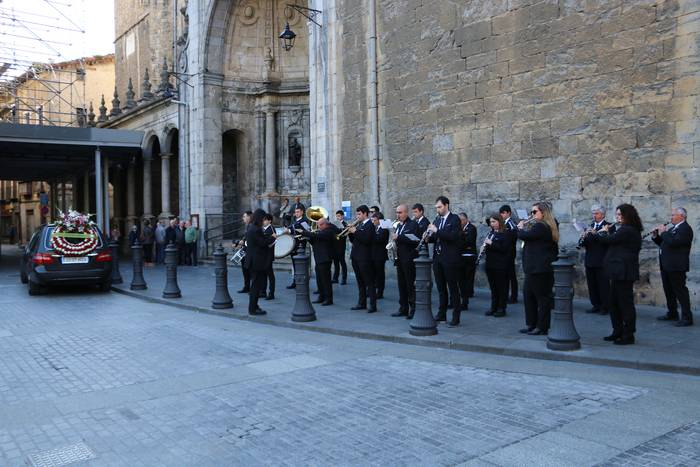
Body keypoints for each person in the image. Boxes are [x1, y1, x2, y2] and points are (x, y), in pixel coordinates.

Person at [597, 204, 643, 345]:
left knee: (625, 304)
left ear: (627, 215)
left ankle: (628, 334)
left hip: (625, 272)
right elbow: (615, 242)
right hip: (618, 272)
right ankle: (617, 331)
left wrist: (603, 231)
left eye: (619, 215)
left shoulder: (628, 230)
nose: (617, 217)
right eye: (616, 215)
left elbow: (608, 240)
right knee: (614, 303)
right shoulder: (624, 230)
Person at [516, 202, 559, 336]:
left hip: (540, 269)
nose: (532, 215)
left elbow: (525, 236)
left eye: (534, 212)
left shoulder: (542, 226)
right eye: (532, 212)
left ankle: (542, 327)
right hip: (534, 268)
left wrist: (521, 228)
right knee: (529, 296)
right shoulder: (539, 226)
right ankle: (532, 324)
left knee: (542, 298)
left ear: (543, 213)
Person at [653, 207, 694, 327]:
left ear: (682, 216)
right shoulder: (673, 228)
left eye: (673, 215)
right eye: (671, 215)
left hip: (676, 266)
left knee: (680, 291)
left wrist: (664, 232)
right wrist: (656, 236)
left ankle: (687, 317)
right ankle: (672, 312)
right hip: (667, 265)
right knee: (669, 290)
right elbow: (665, 244)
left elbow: (674, 242)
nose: (671, 217)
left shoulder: (685, 229)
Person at [426, 196, 462, 327]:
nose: (438, 210)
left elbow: (453, 237)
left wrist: (437, 231)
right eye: (436, 207)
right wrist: (428, 237)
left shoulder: (454, 219)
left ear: (446, 205)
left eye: (440, 207)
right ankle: (442, 313)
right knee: (441, 288)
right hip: (438, 258)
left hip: (450, 259)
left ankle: (456, 317)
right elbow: (436, 238)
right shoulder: (437, 220)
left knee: (453, 288)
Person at [580, 204, 613, 315]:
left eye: (597, 213)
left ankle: (605, 306)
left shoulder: (609, 226)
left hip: (602, 260)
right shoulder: (591, 226)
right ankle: (596, 305)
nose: (594, 215)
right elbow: (586, 244)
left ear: (602, 214)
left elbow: (607, 241)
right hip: (590, 259)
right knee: (592, 285)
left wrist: (594, 234)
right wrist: (583, 237)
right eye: (593, 213)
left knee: (603, 285)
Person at [299, 217, 339, 306]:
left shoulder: (329, 231)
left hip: (325, 258)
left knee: (326, 280)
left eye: (320, 225)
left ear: (325, 224)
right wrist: (308, 238)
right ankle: (321, 296)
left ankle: (328, 299)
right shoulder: (321, 231)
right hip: (319, 258)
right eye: (318, 225)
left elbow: (318, 236)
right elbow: (315, 241)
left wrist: (304, 232)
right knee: (319, 279)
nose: (319, 226)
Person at [246, 209, 276, 316]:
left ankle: (254, 306)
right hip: (257, 262)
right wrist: (272, 238)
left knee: (255, 285)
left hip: (252, 261)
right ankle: (253, 309)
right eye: (263, 218)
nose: (264, 221)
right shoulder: (256, 229)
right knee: (256, 286)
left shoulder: (251, 228)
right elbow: (262, 243)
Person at [391, 204, 419, 318]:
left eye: (400, 212)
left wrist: (398, 238)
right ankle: (403, 308)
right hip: (400, 259)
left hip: (409, 259)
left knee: (409, 285)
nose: (398, 215)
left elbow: (414, 239)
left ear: (406, 213)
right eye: (397, 212)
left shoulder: (413, 224)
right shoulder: (398, 225)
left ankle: (413, 309)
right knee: (401, 285)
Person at [348, 205, 377, 313]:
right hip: (356, 256)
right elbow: (354, 240)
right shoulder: (359, 224)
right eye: (357, 214)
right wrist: (350, 233)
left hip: (365, 257)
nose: (357, 216)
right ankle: (362, 303)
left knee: (369, 282)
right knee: (360, 281)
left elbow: (366, 239)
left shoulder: (370, 225)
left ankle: (373, 305)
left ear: (365, 214)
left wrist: (355, 231)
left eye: (359, 214)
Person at [483, 214, 510, 317]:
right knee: (493, 288)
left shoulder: (506, 233)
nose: (492, 224)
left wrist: (491, 243)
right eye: (491, 222)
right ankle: (493, 307)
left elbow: (504, 249)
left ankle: (501, 308)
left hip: (500, 265)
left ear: (499, 221)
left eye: (494, 222)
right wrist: (484, 247)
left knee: (501, 287)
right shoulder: (491, 233)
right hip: (490, 264)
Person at [285, 204, 310, 289]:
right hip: (293, 245)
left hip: (300, 245)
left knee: (300, 265)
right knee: (294, 264)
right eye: (295, 212)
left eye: (298, 212)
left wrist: (290, 230)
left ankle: (302, 281)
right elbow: (291, 228)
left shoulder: (304, 221)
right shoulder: (294, 220)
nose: (296, 213)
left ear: (302, 212)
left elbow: (308, 231)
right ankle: (295, 281)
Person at [457, 213, 477, 309]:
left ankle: (467, 295)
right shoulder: (459, 229)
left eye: (461, 220)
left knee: (468, 276)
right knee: (462, 278)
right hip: (461, 256)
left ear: (466, 219)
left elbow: (469, 241)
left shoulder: (471, 228)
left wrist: (459, 244)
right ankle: (465, 296)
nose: (460, 222)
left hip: (469, 256)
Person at [499, 205, 518, 303]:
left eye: (503, 213)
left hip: (509, 252)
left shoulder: (510, 223)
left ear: (508, 213)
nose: (501, 215)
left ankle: (513, 296)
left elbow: (514, 235)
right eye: (501, 213)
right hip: (506, 252)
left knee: (511, 275)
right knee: (506, 275)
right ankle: (505, 295)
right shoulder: (504, 223)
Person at [371, 212, 389, 299]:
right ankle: (373, 290)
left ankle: (380, 292)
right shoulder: (375, 229)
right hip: (373, 254)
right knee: (373, 274)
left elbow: (379, 239)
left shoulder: (384, 229)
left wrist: (371, 234)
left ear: (379, 220)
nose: (373, 222)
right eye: (372, 220)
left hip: (380, 255)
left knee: (380, 274)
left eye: (374, 220)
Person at [236, 211, 253, 293]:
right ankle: (246, 287)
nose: (243, 218)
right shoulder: (248, 226)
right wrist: (241, 242)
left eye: (244, 216)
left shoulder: (252, 226)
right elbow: (245, 237)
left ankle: (251, 288)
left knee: (249, 270)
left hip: (249, 252)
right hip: (244, 251)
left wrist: (243, 242)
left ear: (249, 217)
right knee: (245, 270)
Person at [261, 213, 275, 299]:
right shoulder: (262, 229)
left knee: (270, 274)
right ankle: (263, 291)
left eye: (265, 220)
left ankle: (271, 293)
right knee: (263, 274)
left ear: (269, 221)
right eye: (263, 219)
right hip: (262, 254)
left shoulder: (272, 229)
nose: (263, 221)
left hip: (268, 254)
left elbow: (270, 242)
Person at [332, 210, 348, 284]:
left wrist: (340, 231)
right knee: (336, 263)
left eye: (339, 216)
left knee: (342, 262)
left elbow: (344, 236)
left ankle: (344, 279)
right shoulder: (334, 224)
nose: (337, 217)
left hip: (341, 246)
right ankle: (335, 278)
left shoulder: (345, 224)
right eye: (337, 216)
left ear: (342, 216)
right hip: (334, 246)